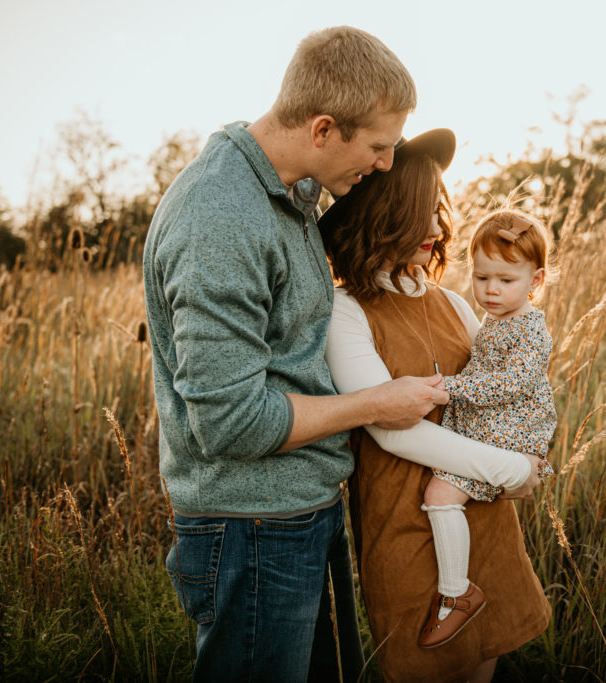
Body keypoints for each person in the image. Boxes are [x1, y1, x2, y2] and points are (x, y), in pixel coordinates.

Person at [142, 26, 454, 683]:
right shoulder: (221, 216)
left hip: (294, 512)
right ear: (322, 129)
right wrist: (376, 402)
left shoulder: (289, 192)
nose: (385, 166)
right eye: (376, 146)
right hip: (252, 528)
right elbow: (231, 422)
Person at [321, 129, 550, 683]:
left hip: (482, 516)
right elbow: (394, 432)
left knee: (483, 661)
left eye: (437, 208)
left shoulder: (453, 301)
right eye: (417, 212)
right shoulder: (346, 309)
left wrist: (530, 449)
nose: (435, 228)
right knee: (420, 664)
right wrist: (512, 468)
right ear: (380, 214)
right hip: (403, 520)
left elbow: (508, 389)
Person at [418, 209, 557, 648]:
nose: (491, 290)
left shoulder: (532, 328)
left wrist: (450, 390)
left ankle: (457, 594)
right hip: (490, 428)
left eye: (505, 280)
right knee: (444, 493)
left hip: (509, 433)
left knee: (440, 494)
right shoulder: (497, 322)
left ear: (535, 281)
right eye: (481, 278)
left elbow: (512, 383)